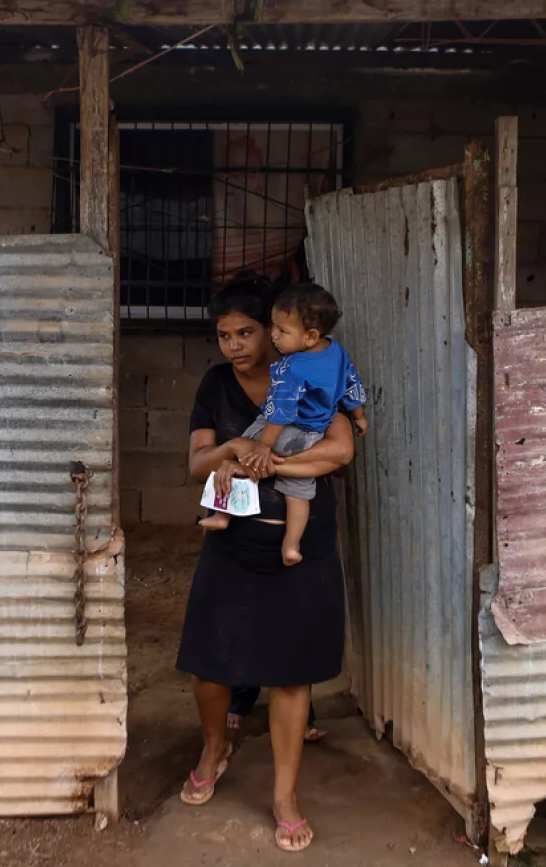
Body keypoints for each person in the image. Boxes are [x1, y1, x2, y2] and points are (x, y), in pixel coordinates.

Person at [175, 275, 357, 853]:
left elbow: (341, 449)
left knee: (289, 673)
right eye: (225, 335)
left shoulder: (305, 373)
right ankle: (215, 746)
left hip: (301, 547)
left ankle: (284, 796)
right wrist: (234, 450)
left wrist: (274, 464)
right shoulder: (214, 385)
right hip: (232, 547)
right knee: (208, 668)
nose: (235, 344)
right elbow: (197, 463)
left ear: (279, 334)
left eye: (249, 331)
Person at [198, 283, 368, 566]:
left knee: (242, 457)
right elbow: (352, 383)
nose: (234, 345)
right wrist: (360, 415)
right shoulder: (337, 354)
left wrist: (260, 448)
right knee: (298, 489)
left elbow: (281, 412)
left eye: (279, 330)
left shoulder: (291, 369)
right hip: (312, 434)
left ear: (310, 336)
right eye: (223, 336)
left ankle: (222, 514)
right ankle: (291, 546)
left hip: (287, 431)